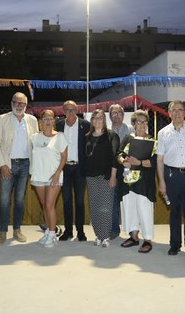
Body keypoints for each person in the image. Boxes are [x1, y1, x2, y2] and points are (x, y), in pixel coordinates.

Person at [0, 92, 39, 245]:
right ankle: (2, 232)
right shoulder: (2, 119)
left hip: (25, 165)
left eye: (22, 103)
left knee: (20, 200)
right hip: (8, 165)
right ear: (11, 103)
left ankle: (17, 230)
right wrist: (2, 165)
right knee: (4, 201)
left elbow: (36, 144)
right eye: (16, 102)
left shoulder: (32, 120)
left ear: (26, 105)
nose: (19, 106)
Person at [156, 100, 185, 256]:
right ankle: (175, 244)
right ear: (169, 113)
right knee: (174, 211)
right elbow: (160, 159)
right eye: (173, 110)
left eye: (180, 110)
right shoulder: (163, 133)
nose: (177, 113)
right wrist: (162, 182)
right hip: (171, 176)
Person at [117, 109, 157, 253]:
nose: (142, 124)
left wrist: (138, 162)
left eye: (145, 122)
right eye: (139, 122)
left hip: (144, 181)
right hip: (128, 180)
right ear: (134, 124)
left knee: (144, 209)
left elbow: (154, 161)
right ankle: (133, 237)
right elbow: (119, 154)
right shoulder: (128, 138)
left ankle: (147, 239)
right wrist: (124, 161)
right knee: (129, 208)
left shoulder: (153, 141)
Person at [31, 110, 68, 247]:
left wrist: (57, 173)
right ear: (41, 121)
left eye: (50, 118)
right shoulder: (34, 137)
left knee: (49, 205)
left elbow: (64, 157)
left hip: (54, 177)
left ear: (54, 121)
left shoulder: (60, 136)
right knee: (45, 206)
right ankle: (48, 231)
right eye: (45, 119)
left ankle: (52, 235)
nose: (48, 121)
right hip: (38, 176)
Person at [84, 109, 120, 246]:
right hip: (90, 176)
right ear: (91, 120)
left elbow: (116, 158)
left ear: (104, 120)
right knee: (94, 207)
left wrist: (113, 176)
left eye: (100, 118)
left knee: (105, 207)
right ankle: (98, 235)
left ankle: (105, 236)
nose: (97, 120)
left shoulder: (111, 136)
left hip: (106, 176)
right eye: (95, 117)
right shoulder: (87, 137)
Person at [56, 100, 90, 241]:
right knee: (66, 200)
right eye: (67, 109)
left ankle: (80, 231)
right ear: (63, 111)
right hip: (64, 168)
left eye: (73, 109)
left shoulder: (85, 125)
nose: (70, 112)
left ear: (77, 110)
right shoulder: (58, 125)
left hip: (80, 168)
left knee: (80, 201)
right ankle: (68, 231)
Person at [108, 103, 133, 240]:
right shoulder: (106, 131)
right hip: (112, 170)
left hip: (128, 169)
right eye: (113, 113)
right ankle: (114, 229)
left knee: (129, 200)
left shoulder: (130, 130)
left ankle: (132, 230)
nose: (116, 115)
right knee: (113, 200)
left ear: (123, 115)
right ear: (110, 116)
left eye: (119, 113)